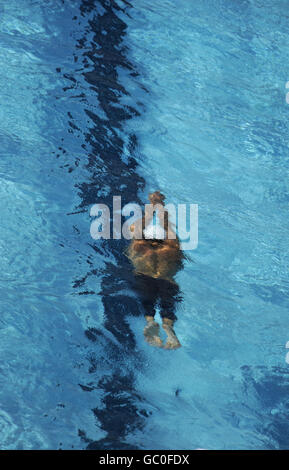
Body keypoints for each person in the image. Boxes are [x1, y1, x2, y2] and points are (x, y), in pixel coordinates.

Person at [126, 191, 184, 349]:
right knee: (168, 304)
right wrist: (160, 206)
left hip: (143, 277)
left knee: (146, 302)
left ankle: (150, 321)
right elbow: (167, 225)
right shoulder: (171, 247)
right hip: (167, 281)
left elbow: (138, 228)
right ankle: (168, 327)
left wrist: (152, 206)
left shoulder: (140, 245)